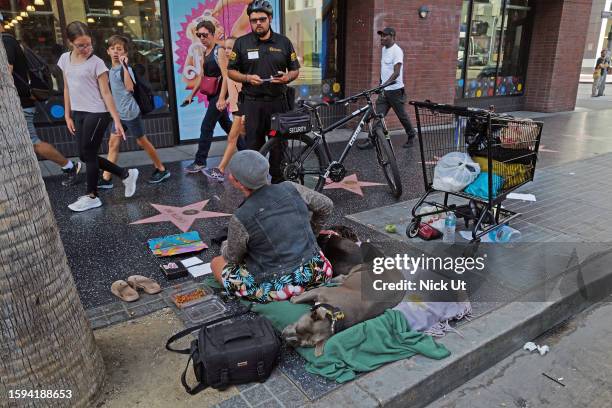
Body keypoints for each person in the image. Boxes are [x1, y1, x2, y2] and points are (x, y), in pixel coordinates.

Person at [210, 150, 334, 303]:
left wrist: (225, 244)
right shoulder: (291, 187)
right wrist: (312, 231)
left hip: (280, 286)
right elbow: (327, 205)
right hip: (319, 272)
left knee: (216, 263)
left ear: (237, 182)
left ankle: (287, 294)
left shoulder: (240, 217)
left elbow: (233, 258)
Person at [58, 21, 139, 212]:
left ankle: (92, 195)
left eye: (88, 44)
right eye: (81, 45)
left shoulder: (97, 63)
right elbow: (66, 88)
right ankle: (125, 174)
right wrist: (67, 114)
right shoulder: (64, 59)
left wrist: (117, 120)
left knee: (89, 153)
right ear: (70, 42)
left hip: (97, 112)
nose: (86, 48)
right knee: (84, 155)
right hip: (78, 112)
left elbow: (106, 93)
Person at [1, 14, 82, 186]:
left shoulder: (6, 41)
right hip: (20, 102)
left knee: (33, 142)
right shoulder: (8, 41)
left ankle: (69, 166)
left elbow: (6, 72)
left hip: (22, 103)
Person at [227, 0, 300, 183]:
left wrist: (286, 78)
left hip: (278, 103)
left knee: (279, 147)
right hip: (253, 104)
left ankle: (278, 183)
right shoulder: (242, 43)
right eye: (253, 20)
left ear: (270, 19)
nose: (257, 23)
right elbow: (231, 71)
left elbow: (295, 69)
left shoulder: (284, 42)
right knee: (254, 147)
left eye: (262, 19)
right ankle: (256, 187)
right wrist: (246, 78)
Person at [99, 35, 170, 188]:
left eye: (119, 49)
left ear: (125, 52)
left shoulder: (127, 69)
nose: (116, 52)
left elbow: (130, 87)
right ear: (108, 51)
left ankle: (161, 169)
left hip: (130, 113)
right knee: (113, 143)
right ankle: (106, 178)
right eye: (113, 49)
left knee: (141, 141)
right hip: (118, 115)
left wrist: (125, 66)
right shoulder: (109, 70)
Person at [183, 20, 233, 173]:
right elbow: (201, 77)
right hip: (212, 96)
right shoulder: (204, 52)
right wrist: (191, 95)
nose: (202, 38)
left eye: (205, 35)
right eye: (199, 35)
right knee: (229, 127)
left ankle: (200, 161)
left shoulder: (219, 52)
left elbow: (226, 77)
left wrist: (222, 98)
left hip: (219, 95)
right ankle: (248, 150)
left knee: (206, 126)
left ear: (212, 35)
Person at [357, 27, 417, 150]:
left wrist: (385, 84)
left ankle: (411, 135)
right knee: (378, 116)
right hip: (384, 92)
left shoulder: (397, 51)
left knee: (402, 116)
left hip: (396, 91)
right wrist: (381, 83)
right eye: (381, 35)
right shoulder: (384, 49)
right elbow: (384, 69)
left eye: (385, 36)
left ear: (392, 36)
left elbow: (396, 72)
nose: (382, 38)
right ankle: (371, 140)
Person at [203, 36, 246, 182]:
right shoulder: (229, 66)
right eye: (225, 48)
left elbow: (243, 91)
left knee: (233, 138)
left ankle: (220, 170)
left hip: (242, 109)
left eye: (230, 48)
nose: (226, 51)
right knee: (242, 140)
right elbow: (228, 86)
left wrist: (244, 112)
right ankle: (253, 170)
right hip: (236, 109)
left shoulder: (240, 67)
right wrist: (224, 100)